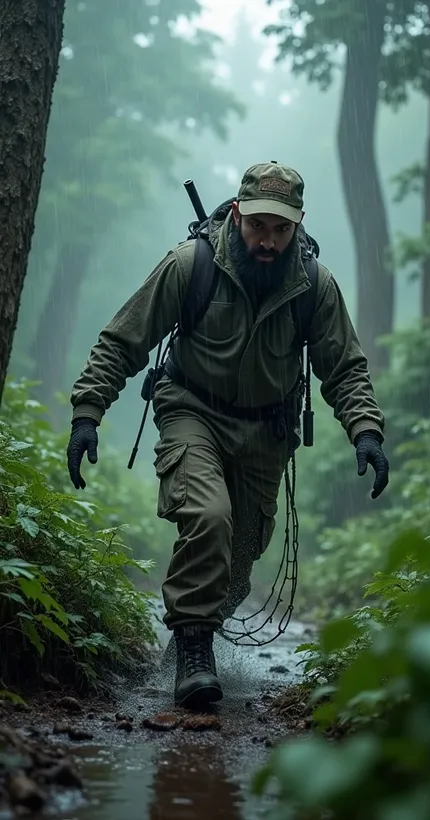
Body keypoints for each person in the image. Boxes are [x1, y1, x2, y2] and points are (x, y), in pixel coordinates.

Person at [66, 161, 389, 710]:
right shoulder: (190, 265)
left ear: (299, 223)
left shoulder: (314, 284)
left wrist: (365, 429)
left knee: (240, 561)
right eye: (258, 225)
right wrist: (87, 411)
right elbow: (124, 339)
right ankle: (194, 652)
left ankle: (189, 644)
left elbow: (344, 368)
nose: (267, 241)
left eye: (281, 229)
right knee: (208, 516)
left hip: (267, 431)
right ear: (237, 213)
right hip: (192, 409)